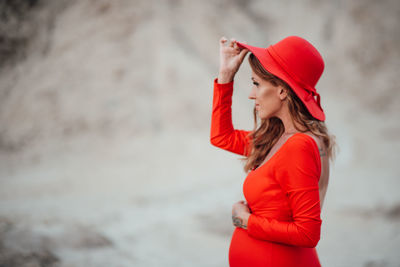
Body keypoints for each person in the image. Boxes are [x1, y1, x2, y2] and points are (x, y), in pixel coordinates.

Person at [210, 36, 336, 267]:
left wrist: (246, 221)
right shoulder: (278, 139)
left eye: (257, 84)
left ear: (282, 91)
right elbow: (222, 137)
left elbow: (307, 233)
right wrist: (226, 76)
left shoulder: (299, 146)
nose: (251, 94)